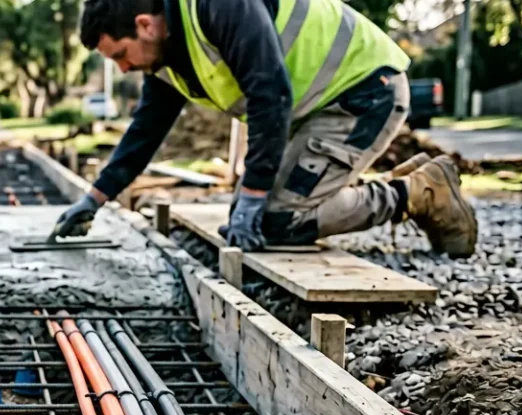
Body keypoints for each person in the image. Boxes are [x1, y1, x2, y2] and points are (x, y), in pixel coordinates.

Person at [53, 0, 478, 257]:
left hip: (364, 94)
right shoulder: (166, 57)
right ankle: (399, 186)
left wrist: (255, 197)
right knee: (253, 214)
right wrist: (94, 199)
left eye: (121, 55)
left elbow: (270, 95)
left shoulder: (215, 7)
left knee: (277, 221)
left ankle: (419, 193)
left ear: (144, 24)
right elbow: (146, 131)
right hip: (314, 112)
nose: (124, 68)